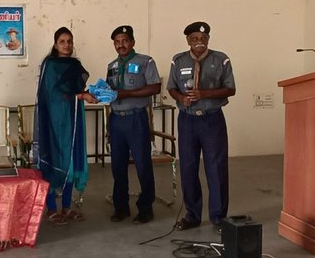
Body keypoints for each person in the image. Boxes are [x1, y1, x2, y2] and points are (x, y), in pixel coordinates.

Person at [166, 21, 236, 231]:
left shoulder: (221, 60)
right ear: (188, 40)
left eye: (203, 39)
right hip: (187, 120)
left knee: (216, 169)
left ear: (208, 40)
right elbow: (171, 87)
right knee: (188, 167)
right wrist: (181, 98)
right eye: (195, 39)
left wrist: (203, 94)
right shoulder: (178, 61)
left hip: (212, 119)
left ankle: (218, 217)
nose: (199, 43)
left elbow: (230, 89)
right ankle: (192, 215)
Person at [35, 27, 97, 225]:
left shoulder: (75, 65)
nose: (67, 45)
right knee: (54, 160)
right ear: (55, 44)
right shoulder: (50, 65)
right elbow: (51, 94)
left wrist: (92, 93)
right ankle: (52, 209)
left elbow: (75, 90)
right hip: (54, 121)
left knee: (71, 161)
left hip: (74, 117)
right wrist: (80, 95)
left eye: (69, 41)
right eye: (62, 41)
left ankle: (67, 207)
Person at [106, 25, 161, 224]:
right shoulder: (111, 65)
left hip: (136, 119)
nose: (121, 45)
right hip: (116, 120)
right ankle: (121, 208)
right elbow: (110, 91)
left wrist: (127, 94)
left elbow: (155, 87)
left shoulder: (146, 61)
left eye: (125, 41)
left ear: (132, 42)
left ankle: (146, 208)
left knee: (142, 164)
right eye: (117, 42)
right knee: (118, 166)